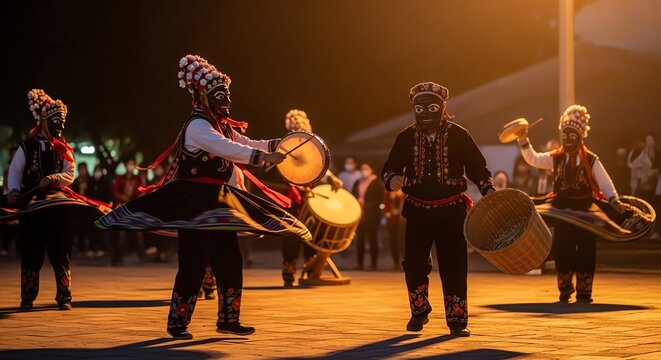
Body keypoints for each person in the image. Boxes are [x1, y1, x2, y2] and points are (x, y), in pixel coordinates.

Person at [96, 54, 310, 339]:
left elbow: (246, 142)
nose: (227, 102)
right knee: (193, 264)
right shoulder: (198, 126)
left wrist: (282, 145)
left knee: (230, 260)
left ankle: (228, 319)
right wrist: (263, 156)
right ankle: (177, 323)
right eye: (220, 96)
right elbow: (228, 149)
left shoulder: (223, 125)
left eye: (227, 96)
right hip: (193, 200)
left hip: (219, 199)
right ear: (203, 97)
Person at [381, 82, 495, 336]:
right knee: (413, 264)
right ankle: (419, 311)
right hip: (417, 210)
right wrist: (392, 179)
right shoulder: (405, 137)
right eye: (419, 108)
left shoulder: (459, 135)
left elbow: (478, 167)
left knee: (454, 264)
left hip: (452, 210)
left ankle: (456, 320)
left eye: (431, 107)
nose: (425, 113)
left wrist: (488, 188)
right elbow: (389, 167)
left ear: (442, 108)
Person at [3, 89, 108, 310]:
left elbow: (70, 174)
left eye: (61, 122)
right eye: (55, 121)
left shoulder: (63, 147)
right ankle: (28, 296)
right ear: (43, 121)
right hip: (32, 203)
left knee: (61, 249)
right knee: (31, 250)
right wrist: (13, 191)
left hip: (57, 203)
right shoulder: (27, 145)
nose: (59, 126)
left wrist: (53, 178)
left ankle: (64, 296)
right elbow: (15, 171)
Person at [517, 105, 631, 303]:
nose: (568, 139)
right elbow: (534, 159)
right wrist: (523, 140)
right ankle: (565, 289)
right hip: (562, 210)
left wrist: (614, 200)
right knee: (563, 248)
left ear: (580, 137)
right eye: (565, 135)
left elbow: (605, 183)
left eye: (572, 135)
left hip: (586, 210)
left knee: (586, 248)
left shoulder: (592, 159)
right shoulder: (556, 158)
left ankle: (584, 291)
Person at [111, 159, 146, 265]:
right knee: (122, 233)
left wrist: (138, 199)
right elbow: (115, 191)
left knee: (139, 233)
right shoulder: (120, 178)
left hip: (135, 209)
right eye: (128, 164)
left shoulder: (139, 178)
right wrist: (122, 196)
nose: (130, 166)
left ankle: (141, 257)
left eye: (132, 165)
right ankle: (121, 257)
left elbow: (143, 191)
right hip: (123, 208)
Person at [351, 162, 384, 271]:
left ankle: (373, 264)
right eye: (362, 169)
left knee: (372, 239)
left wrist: (366, 205)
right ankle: (360, 264)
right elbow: (353, 195)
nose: (364, 171)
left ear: (371, 170)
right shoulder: (357, 182)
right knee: (360, 240)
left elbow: (379, 199)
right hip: (359, 216)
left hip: (372, 216)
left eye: (366, 168)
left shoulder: (377, 183)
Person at [71, 162, 93, 255]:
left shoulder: (91, 181)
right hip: (78, 208)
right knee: (79, 228)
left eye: (83, 169)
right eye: (80, 169)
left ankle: (90, 248)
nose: (82, 171)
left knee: (89, 228)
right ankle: (80, 247)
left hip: (89, 208)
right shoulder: (75, 181)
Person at [383, 188, 405, 271]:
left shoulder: (405, 190)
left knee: (403, 241)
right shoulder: (389, 190)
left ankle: (405, 262)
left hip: (402, 219)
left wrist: (401, 194)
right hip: (392, 218)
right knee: (393, 240)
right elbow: (386, 202)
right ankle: (396, 263)